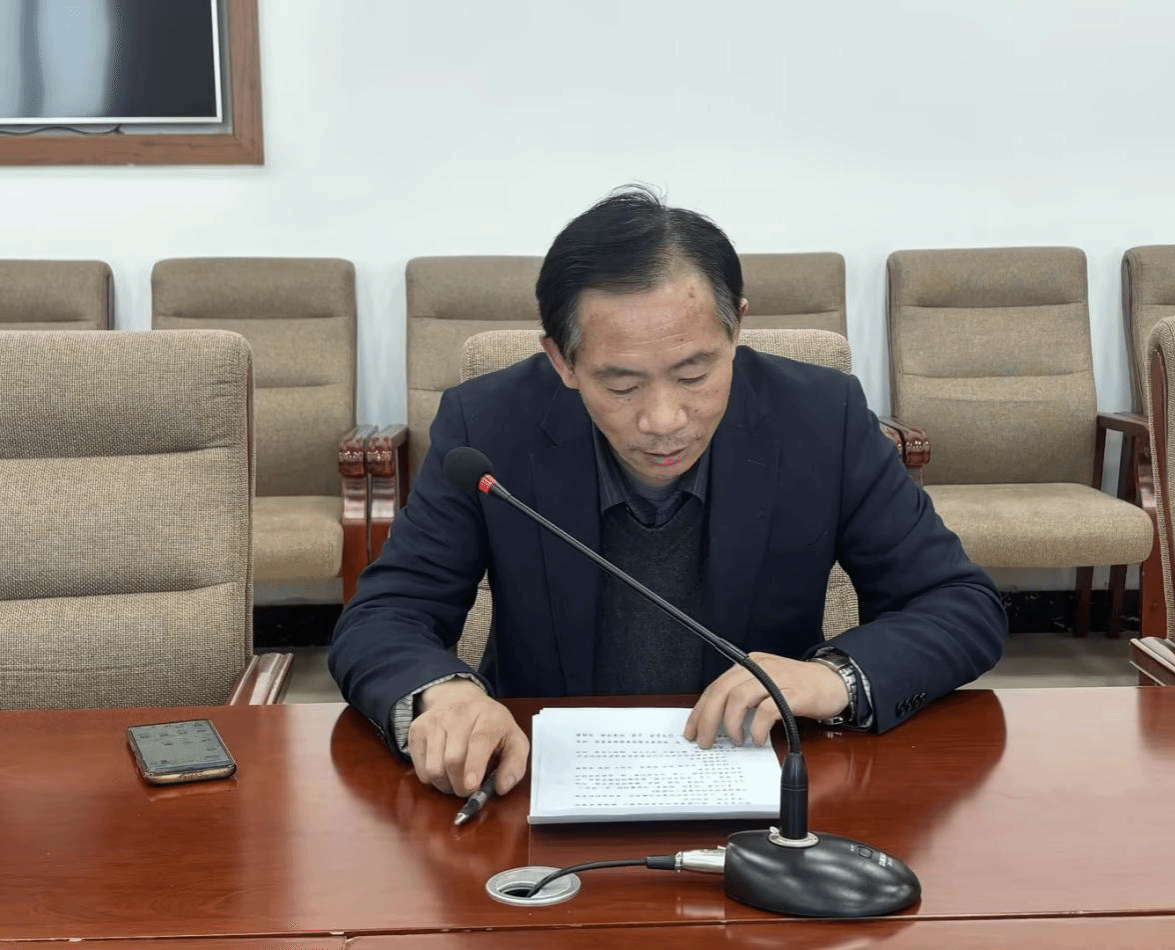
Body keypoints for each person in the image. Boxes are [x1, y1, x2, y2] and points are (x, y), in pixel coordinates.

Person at [329, 186, 1007, 799]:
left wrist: (833, 678)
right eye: (621, 384)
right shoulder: (488, 426)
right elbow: (386, 614)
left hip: (766, 774)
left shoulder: (822, 419)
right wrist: (444, 696)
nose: (663, 420)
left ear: (736, 329)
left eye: (693, 374)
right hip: (540, 778)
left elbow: (959, 603)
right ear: (561, 359)